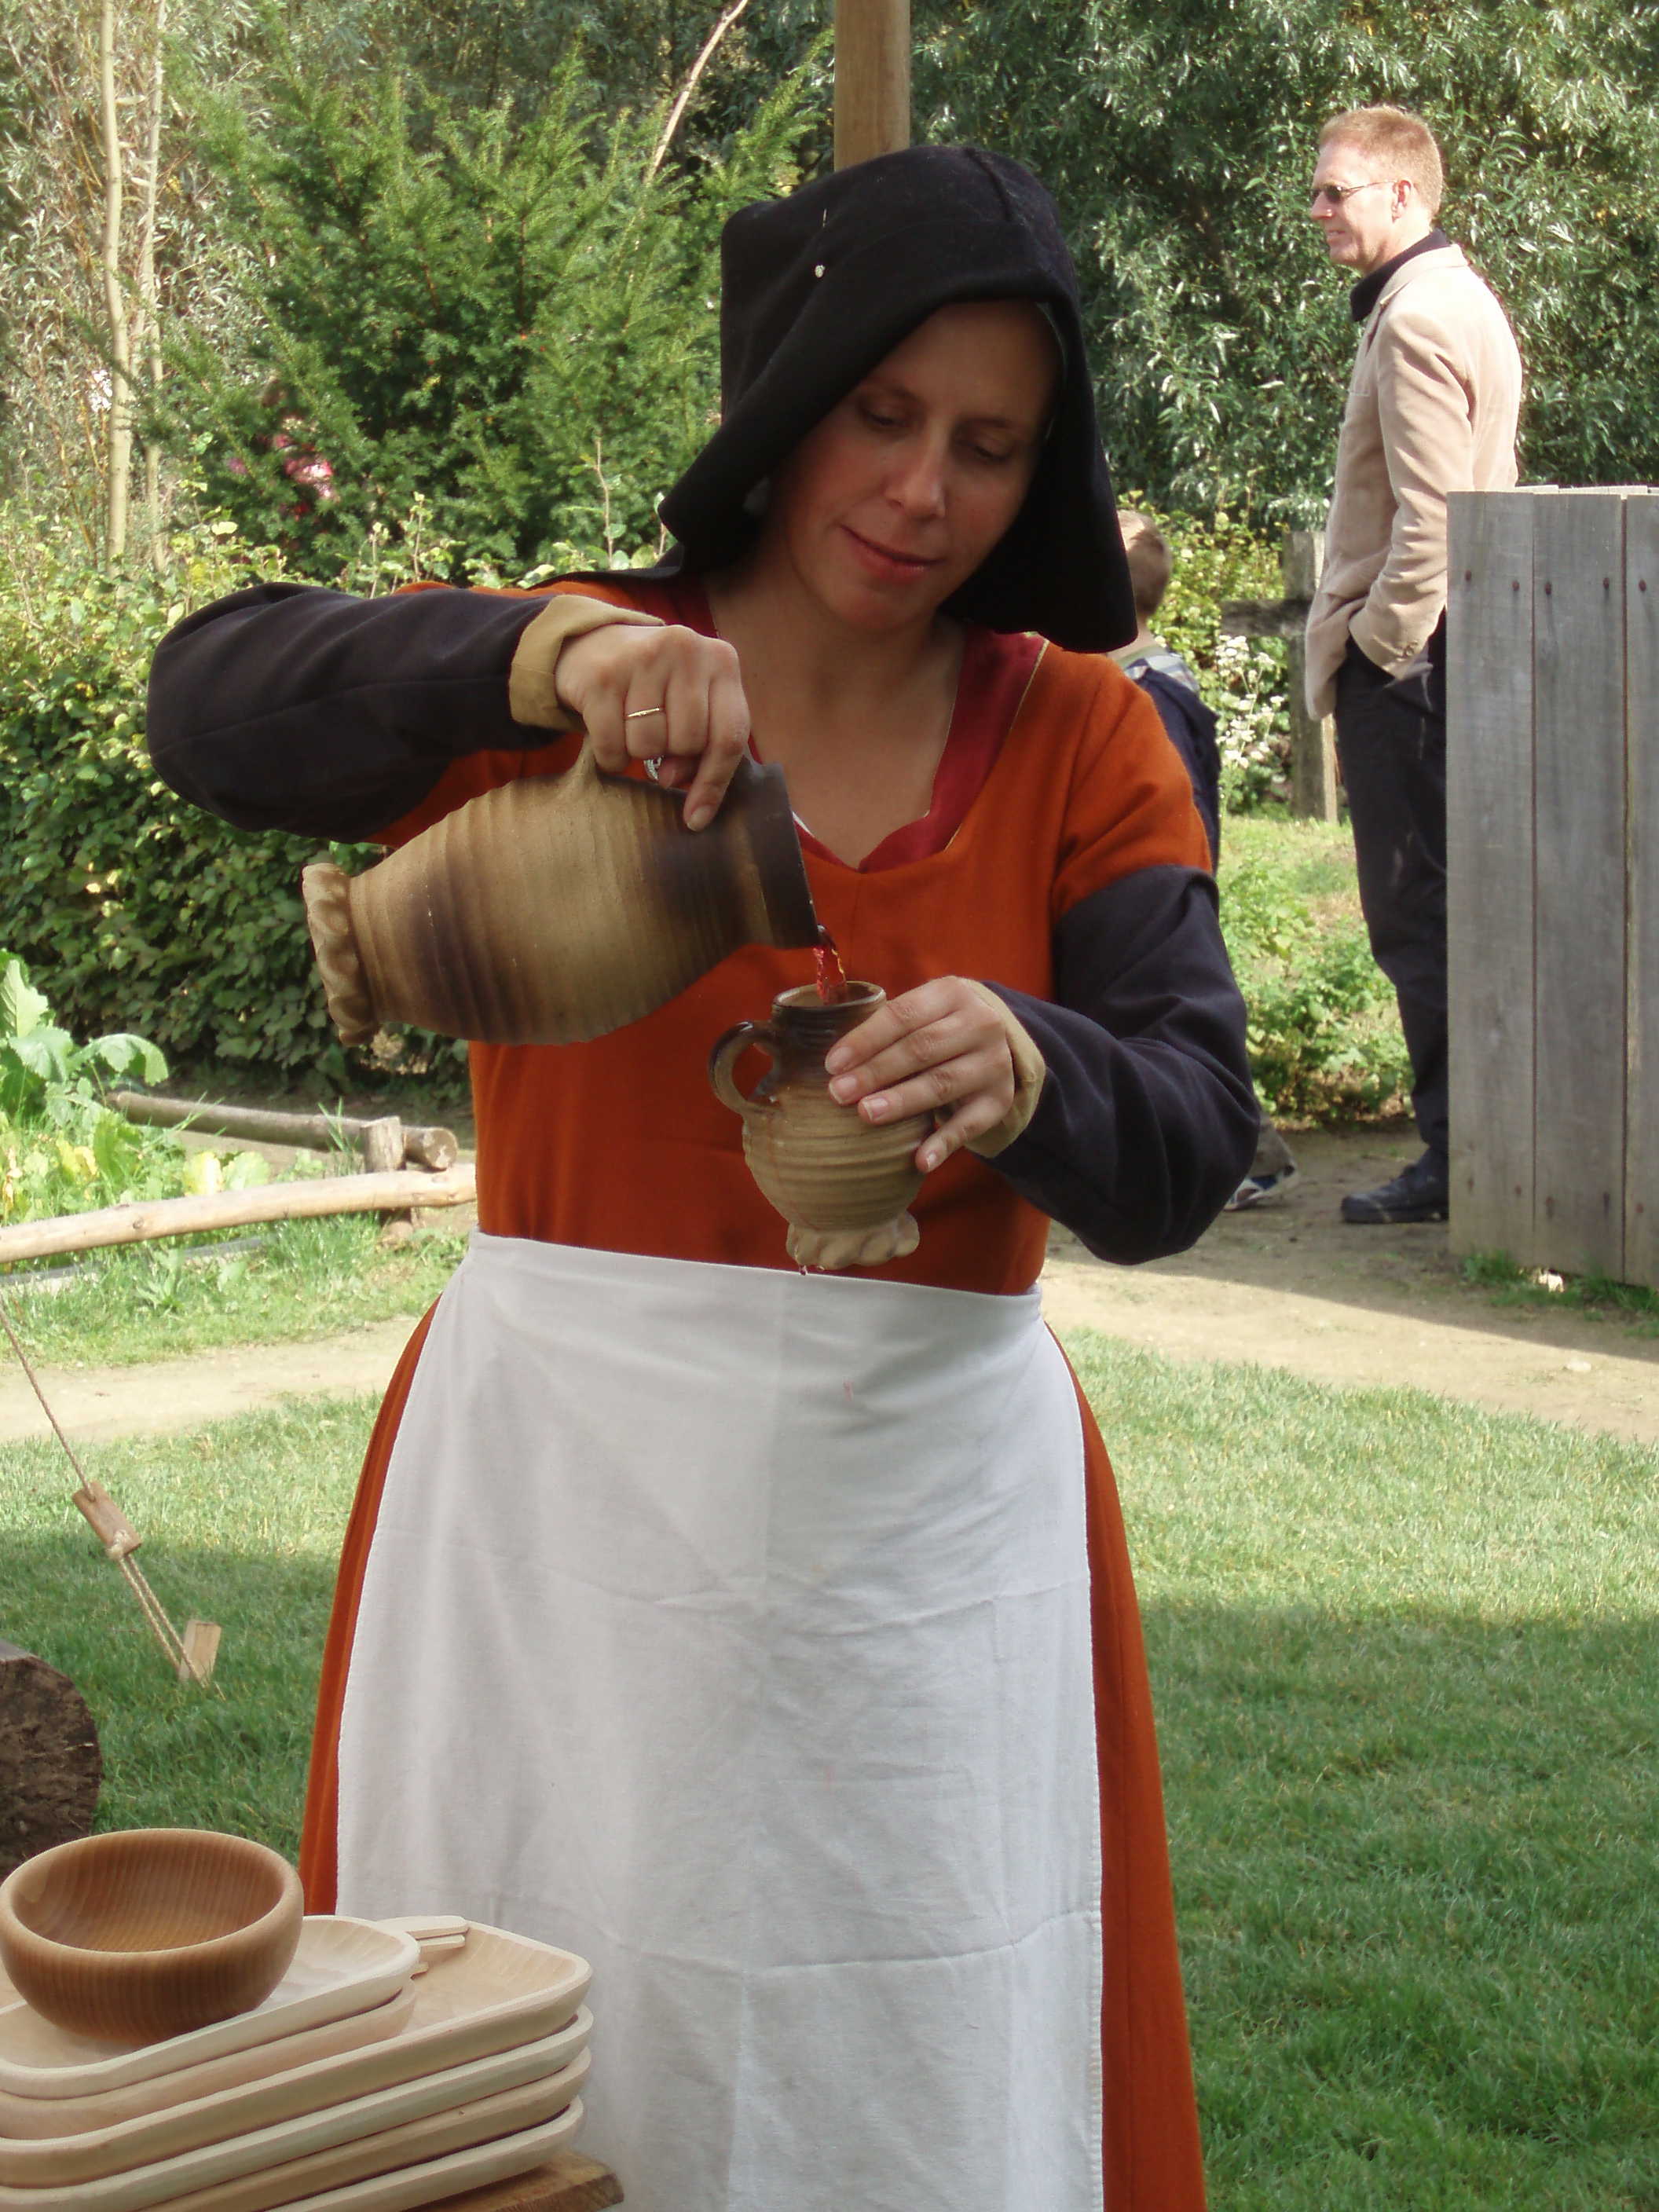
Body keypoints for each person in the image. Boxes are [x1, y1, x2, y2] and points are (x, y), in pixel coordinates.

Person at [148, 147, 1257, 2212]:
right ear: (791, 393)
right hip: (553, 1513)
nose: (927, 488)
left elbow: (1193, 1135)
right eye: (885, 414)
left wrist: (1041, 1065)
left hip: (929, 1535)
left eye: (992, 446)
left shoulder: (1088, 737)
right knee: (528, 2063)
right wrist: (536, 658)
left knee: (911, 2065)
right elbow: (202, 696)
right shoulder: (584, 672)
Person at [1304, 104, 1522, 1223]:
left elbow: (1433, 518)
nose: (1319, 210)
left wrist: (1380, 652)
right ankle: (1472, 1146)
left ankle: (1455, 1157)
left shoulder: (1419, 317)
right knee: (1446, 908)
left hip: (1415, 669)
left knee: (1416, 914)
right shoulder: (1453, 298)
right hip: (1445, 662)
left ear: (1403, 195)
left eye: (1335, 191)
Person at [1115, 510, 1298, 1207]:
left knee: (1175, 1028)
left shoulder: (1151, 694)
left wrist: (1174, 887)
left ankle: (1250, 1162)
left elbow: (1181, 806)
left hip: (1163, 890)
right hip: (1151, 888)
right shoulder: (1134, 679)